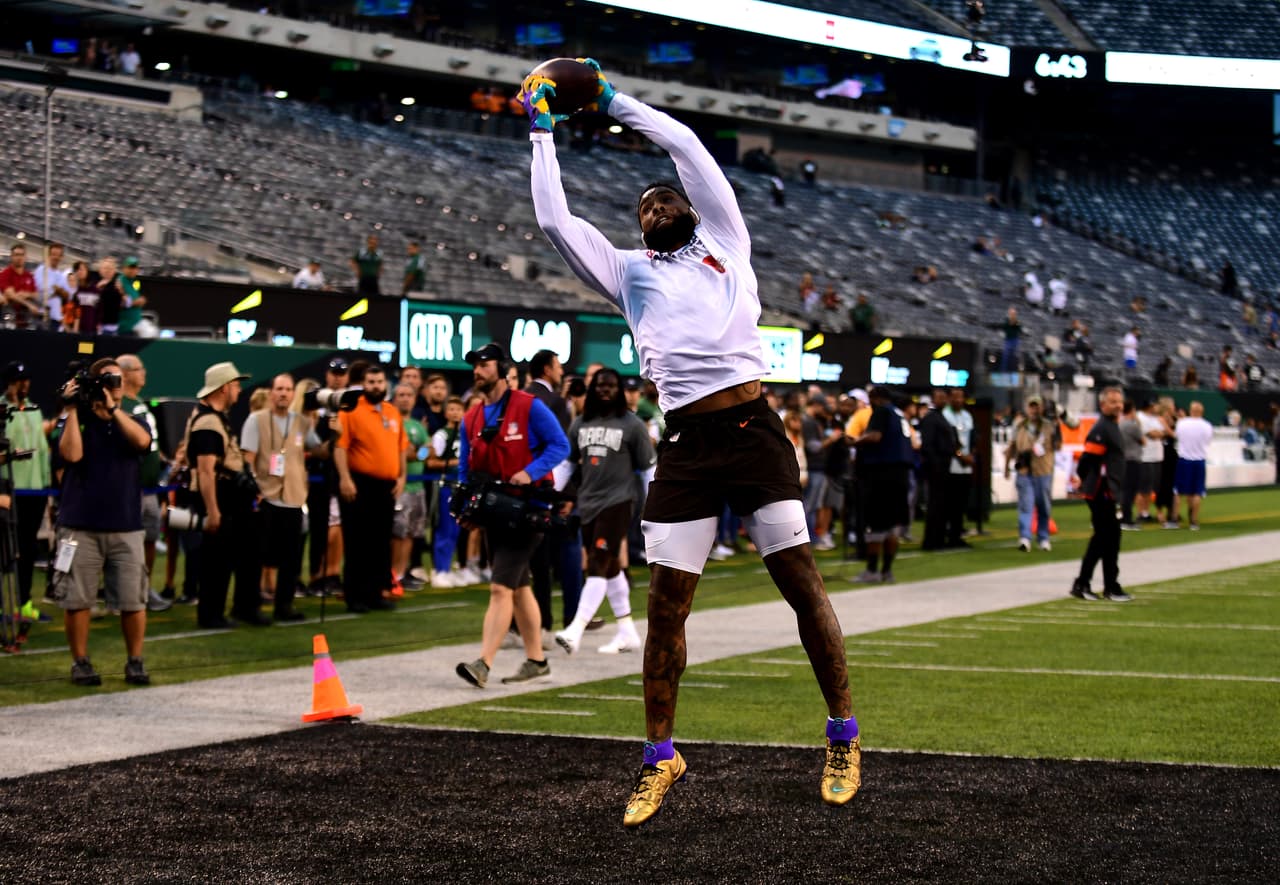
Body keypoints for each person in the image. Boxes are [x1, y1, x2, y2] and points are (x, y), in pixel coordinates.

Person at [525, 60, 859, 826]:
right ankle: (659, 757)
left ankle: (842, 735)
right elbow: (554, 222)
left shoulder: (727, 238)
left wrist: (611, 101)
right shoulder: (628, 273)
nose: (655, 206)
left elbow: (684, 145)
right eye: (644, 206)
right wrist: (542, 130)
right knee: (666, 608)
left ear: (689, 206)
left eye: (664, 198)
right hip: (685, 444)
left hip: (753, 431)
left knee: (801, 584)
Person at [453, 342, 569, 687]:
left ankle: (483, 664)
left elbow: (560, 445)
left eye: (485, 364)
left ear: (503, 369)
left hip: (527, 509)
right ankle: (537, 660)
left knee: (500, 588)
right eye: (475, 365)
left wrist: (530, 472)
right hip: (494, 511)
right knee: (518, 588)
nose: (478, 371)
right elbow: (465, 469)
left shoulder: (528, 405)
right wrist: (465, 505)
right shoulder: (471, 417)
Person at [50, 358, 154, 685]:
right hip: (80, 524)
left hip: (126, 524)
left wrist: (114, 410)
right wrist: (71, 409)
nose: (115, 386)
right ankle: (80, 662)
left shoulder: (133, 419)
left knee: (133, 600)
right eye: (108, 380)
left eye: (118, 379)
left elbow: (143, 443)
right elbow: (71, 455)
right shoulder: (76, 420)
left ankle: (135, 661)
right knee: (77, 599)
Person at [555, 367, 655, 654]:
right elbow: (568, 465)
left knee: (598, 561)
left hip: (620, 501)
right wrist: (549, 493)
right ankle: (627, 631)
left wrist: (654, 508)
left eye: (610, 385)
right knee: (610, 567)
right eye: (600, 385)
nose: (604, 390)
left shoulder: (633, 424)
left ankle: (575, 629)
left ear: (619, 390)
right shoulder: (581, 423)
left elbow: (649, 469)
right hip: (588, 502)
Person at [185, 362, 265, 629]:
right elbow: (206, 470)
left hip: (229, 496)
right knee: (217, 560)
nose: (239, 390)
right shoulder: (208, 423)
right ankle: (212, 615)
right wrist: (213, 510)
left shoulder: (214, 418)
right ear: (224, 388)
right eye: (236, 385)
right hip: (220, 496)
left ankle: (237, 609)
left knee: (235, 555)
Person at [241, 373, 321, 622]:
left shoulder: (302, 422)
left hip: (293, 497)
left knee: (291, 558)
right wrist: (253, 490)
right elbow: (248, 459)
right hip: (266, 495)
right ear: (271, 392)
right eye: (279, 389)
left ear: (293, 394)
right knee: (257, 556)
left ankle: (284, 605)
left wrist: (336, 435)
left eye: (288, 389)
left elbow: (319, 449)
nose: (284, 393)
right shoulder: (256, 420)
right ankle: (249, 606)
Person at [333, 364, 407, 613]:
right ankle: (355, 596)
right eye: (371, 382)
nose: (376, 386)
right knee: (357, 541)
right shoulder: (351, 409)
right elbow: (340, 446)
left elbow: (401, 447)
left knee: (380, 541)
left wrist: (402, 477)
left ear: (386, 384)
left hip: (387, 486)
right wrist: (345, 478)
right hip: (359, 483)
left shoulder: (392, 411)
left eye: (379, 382)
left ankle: (376, 593)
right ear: (363, 384)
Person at [115, 354, 172, 613]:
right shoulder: (121, 405)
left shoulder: (139, 404)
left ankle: (144, 587)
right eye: (139, 369)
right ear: (125, 374)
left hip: (150, 488)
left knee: (149, 537)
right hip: (130, 488)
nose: (144, 373)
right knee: (128, 543)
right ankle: (125, 591)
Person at [1072, 386, 1131, 602]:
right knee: (1105, 537)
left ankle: (1102, 584)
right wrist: (1085, 480)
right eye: (1113, 402)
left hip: (1108, 490)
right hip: (1101, 490)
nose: (1118, 405)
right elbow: (1087, 459)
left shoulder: (1112, 426)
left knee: (1108, 538)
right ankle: (1091, 584)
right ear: (1103, 404)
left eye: (1119, 401)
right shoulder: (1102, 428)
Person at [849, 387, 913, 583]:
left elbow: (875, 436)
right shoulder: (899, 414)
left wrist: (856, 441)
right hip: (901, 475)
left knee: (875, 524)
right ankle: (887, 571)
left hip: (882, 474)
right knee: (892, 525)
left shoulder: (882, 411)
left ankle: (872, 570)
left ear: (876, 398)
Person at [2, 361, 50, 620]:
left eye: (26, 380)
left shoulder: (34, 410)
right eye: (19, 381)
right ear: (9, 383)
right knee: (3, 549)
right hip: (7, 490)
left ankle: (24, 603)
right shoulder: (2, 410)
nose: (24, 385)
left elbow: (41, 449)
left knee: (28, 548)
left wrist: (45, 483)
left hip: (34, 491)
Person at [1004, 395, 1059, 552]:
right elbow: (1011, 446)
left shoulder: (1049, 426)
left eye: (1037, 406)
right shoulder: (1019, 425)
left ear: (1042, 408)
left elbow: (1059, 443)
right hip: (1024, 470)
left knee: (1043, 506)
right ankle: (1025, 537)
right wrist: (1007, 467)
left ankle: (1043, 538)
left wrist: (1058, 419)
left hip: (1043, 470)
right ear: (1027, 408)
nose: (1034, 410)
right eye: (1031, 406)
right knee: (1026, 505)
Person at [390, 381, 430, 591]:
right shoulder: (392, 422)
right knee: (397, 533)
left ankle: (402, 573)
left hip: (418, 486)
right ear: (394, 398)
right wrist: (416, 452)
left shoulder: (417, 425)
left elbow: (429, 450)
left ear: (414, 399)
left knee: (411, 533)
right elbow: (403, 453)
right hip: (400, 486)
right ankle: (392, 574)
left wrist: (418, 453)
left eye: (409, 395)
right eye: (401, 395)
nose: (405, 399)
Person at [426, 396, 465, 587]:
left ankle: (447, 568)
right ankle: (440, 570)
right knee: (445, 529)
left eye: (459, 409)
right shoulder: (441, 435)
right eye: (451, 409)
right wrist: (456, 463)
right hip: (447, 485)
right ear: (446, 412)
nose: (455, 413)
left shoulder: (465, 434)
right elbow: (431, 462)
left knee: (456, 529)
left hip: (461, 486)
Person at [918, 388, 955, 551]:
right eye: (939, 397)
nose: (942, 400)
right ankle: (931, 541)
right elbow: (927, 445)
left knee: (941, 504)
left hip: (942, 466)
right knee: (935, 504)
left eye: (944, 397)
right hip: (935, 468)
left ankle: (938, 538)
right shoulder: (931, 418)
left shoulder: (940, 417)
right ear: (933, 400)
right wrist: (935, 464)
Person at [1170, 401, 1213, 531]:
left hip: (1184, 460)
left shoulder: (1182, 423)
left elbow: (1177, 437)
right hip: (1199, 460)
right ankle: (1193, 521)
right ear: (1202, 412)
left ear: (1191, 410)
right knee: (1197, 492)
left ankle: (1174, 519)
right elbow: (1208, 442)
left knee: (1178, 491)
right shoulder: (1207, 426)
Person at [942, 388, 975, 547]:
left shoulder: (967, 416)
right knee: (950, 503)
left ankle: (957, 534)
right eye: (955, 397)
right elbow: (948, 441)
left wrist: (971, 455)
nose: (958, 400)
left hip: (966, 467)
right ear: (949, 398)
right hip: (951, 466)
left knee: (961, 503)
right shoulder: (945, 415)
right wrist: (961, 455)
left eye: (961, 397)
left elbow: (972, 438)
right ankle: (948, 535)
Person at [34, 243, 72, 331]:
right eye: (54, 254)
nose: (56, 257)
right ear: (49, 255)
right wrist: (57, 291)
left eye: (59, 255)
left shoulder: (61, 275)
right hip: (42, 316)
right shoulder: (41, 270)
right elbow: (41, 290)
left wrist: (59, 291)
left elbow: (68, 296)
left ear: (61, 257)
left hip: (56, 319)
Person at [0, 243, 39, 327]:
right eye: (16, 255)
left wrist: (26, 294)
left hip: (26, 319)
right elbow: (10, 295)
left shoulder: (29, 276)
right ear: (11, 257)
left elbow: (36, 294)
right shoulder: (5, 274)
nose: (19, 258)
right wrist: (29, 304)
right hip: (9, 318)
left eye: (22, 255)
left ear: (25, 257)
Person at [999, 306, 1022, 373]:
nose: (1012, 315)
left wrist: (1015, 323)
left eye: (1014, 313)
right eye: (1011, 313)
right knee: (1005, 356)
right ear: (1009, 314)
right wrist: (1010, 323)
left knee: (1014, 357)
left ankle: (1014, 371)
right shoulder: (1006, 321)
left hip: (1015, 340)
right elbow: (1004, 328)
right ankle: (1003, 372)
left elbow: (1019, 329)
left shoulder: (1017, 321)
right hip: (1008, 340)